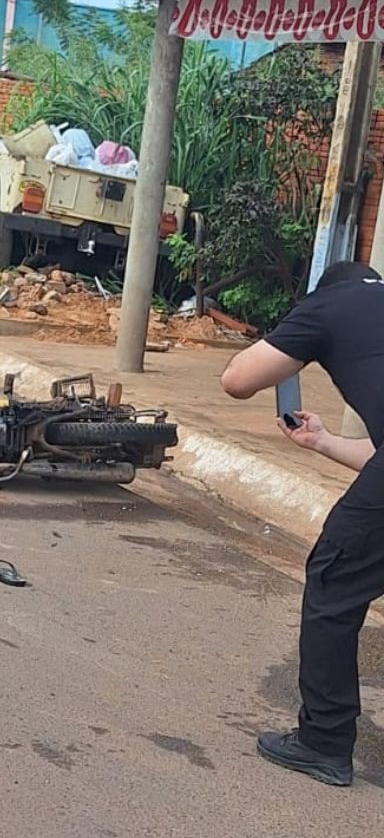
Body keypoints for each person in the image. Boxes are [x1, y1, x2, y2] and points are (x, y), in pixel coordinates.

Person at [220, 260, 384, 787]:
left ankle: (323, 742)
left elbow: (237, 380)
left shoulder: (329, 304)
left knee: (334, 583)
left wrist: (293, 341)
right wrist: (323, 442)